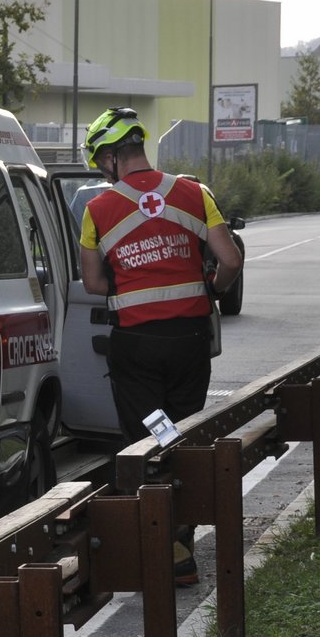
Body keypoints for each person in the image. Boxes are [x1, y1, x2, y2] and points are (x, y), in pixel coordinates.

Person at [78, 105, 243, 584]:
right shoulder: (193, 193)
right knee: (185, 436)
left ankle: (162, 545)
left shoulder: (98, 210)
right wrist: (209, 289)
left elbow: (91, 283)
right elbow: (229, 260)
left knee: (150, 437)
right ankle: (181, 537)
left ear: (109, 157)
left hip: (138, 349)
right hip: (190, 342)